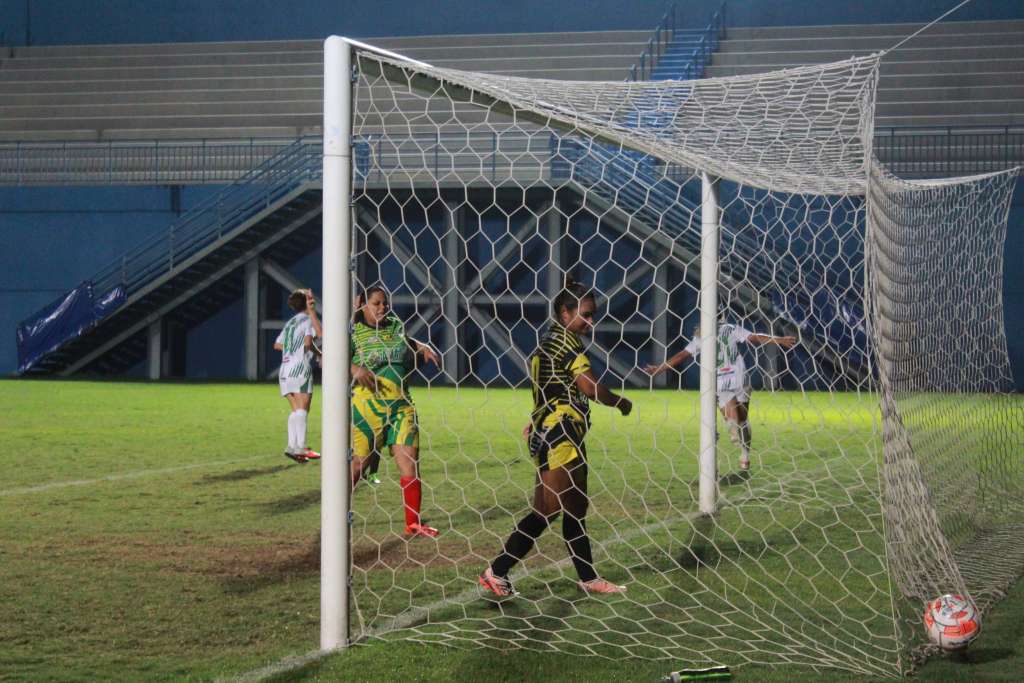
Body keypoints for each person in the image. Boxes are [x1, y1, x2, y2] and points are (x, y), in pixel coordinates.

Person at [479, 278, 632, 597]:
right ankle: (497, 570)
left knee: (576, 507)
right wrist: (621, 402)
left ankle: (589, 578)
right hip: (559, 435)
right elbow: (590, 388)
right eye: (586, 315)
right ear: (565, 313)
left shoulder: (548, 345)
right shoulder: (566, 345)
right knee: (547, 510)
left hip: (561, 432)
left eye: (593, 315)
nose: (591, 321)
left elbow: (546, 390)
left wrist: (535, 420)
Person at [350, 285, 442, 538]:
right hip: (368, 408)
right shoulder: (353, 332)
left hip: (402, 406)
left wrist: (421, 345)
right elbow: (328, 358)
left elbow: (403, 341)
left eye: (385, 303)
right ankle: (335, 515)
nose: (383, 308)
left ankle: (413, 524)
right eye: (376, 303)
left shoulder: (394, 324)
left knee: (410, 463)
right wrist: (355, 369)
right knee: (358, 466)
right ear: (363, 305)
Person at [645, 322, 796, 471]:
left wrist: (660, 368)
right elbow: (754, 337)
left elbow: (682, 355)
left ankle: (732, 427)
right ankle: (744, 454)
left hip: (720, 380)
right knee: (743, 421)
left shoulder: (701, 335)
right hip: (740, 376)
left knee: (736, 418)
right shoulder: (730, 328)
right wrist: (779, 340)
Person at [274, 288, 323, 464]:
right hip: (299, 368)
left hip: (285, 369)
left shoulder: (290, 323)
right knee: (303, 409)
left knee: (296, 409)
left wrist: (293, 348)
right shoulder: (307, 320)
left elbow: (277, 345)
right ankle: (301, 447)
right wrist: (318, 354)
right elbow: (314, 339)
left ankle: (292, 447)